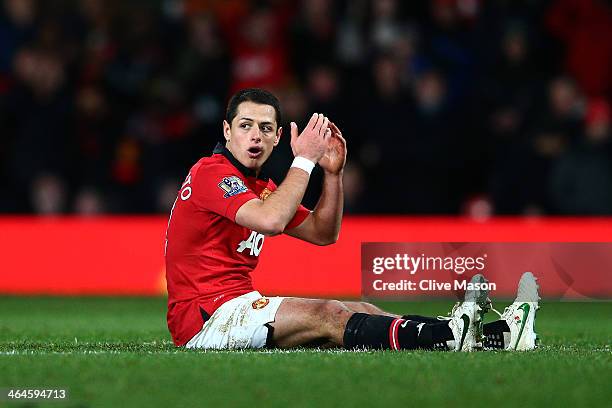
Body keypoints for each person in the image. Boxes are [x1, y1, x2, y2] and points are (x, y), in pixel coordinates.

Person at [164, 88, 539, 351]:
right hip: (205, 318)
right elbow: (271, 221)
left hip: (237, 304)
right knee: (328, 314)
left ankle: (487, 335)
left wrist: (332, 174)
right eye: (245, 125)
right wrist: (305, 160)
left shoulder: (259, 184)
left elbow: (324, 233)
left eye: (265, 128)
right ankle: (450, 336)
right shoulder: (210, 173)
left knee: (361, 310)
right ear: (227, 131)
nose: (255, 136)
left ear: (278, 137)